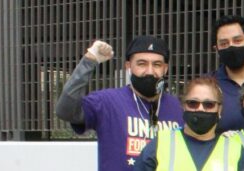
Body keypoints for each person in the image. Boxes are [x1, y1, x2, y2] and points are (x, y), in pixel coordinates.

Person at [54, 37, 184, 171]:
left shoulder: (178, 108)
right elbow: (65, 110)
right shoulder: (107, 101)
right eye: (142, 64)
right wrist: (89, 61)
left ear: (165, 69)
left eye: (157, 64)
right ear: (128, 66)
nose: (150, 71)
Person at [133, 77, 244, 171]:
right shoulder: (160, 144)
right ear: (183, 106)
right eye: (193, 103)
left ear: (219, 110)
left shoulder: (236, 151)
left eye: (208, 104)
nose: (200, 109)